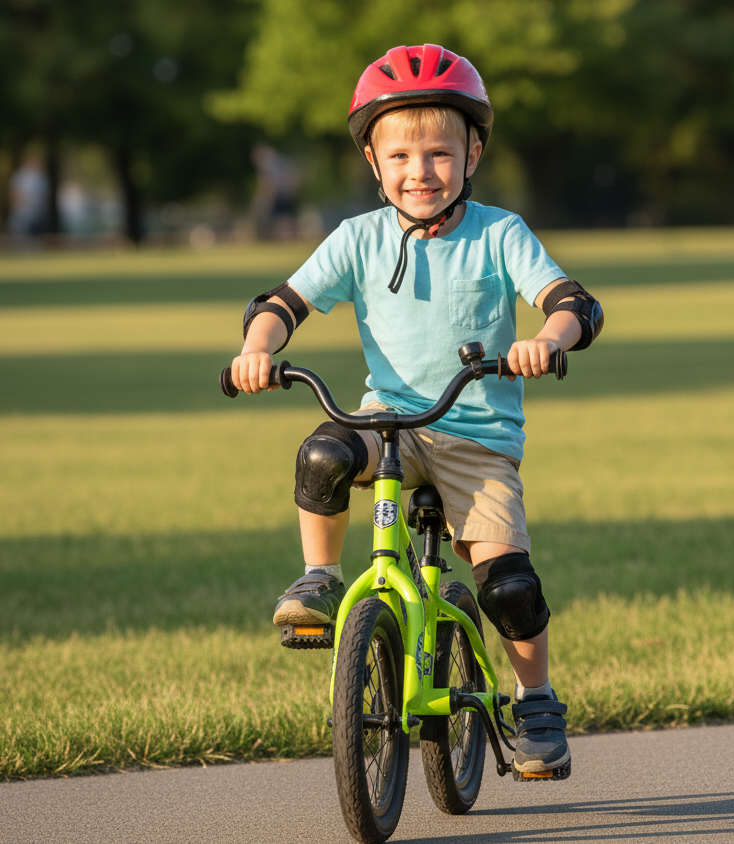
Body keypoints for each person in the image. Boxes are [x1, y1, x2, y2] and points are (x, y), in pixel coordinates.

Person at [229, 44, 604, 775]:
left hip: (475, 435)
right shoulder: (358, 238)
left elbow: (570, 302)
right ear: (373, 162)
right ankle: (319, 581)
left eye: (439, 152)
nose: (419, 171)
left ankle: (536, 701)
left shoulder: (500, 233)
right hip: (388, 422)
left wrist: (548, 340)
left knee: (510, 583)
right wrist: (257, 348)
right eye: (399, 155)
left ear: (474, 153)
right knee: (323, 454)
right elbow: (282, 303)